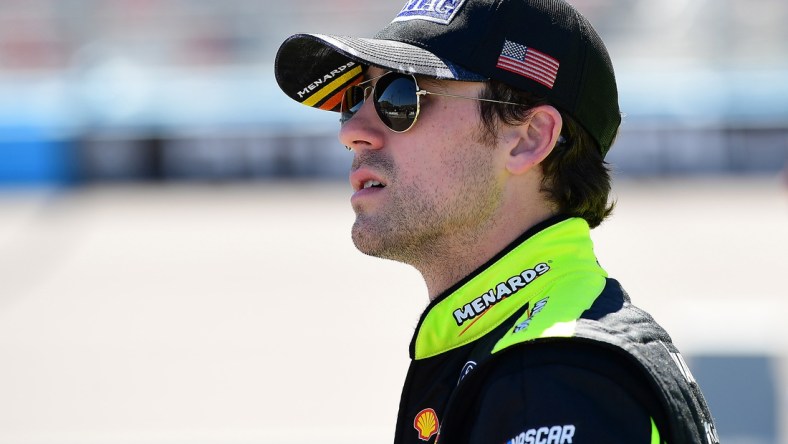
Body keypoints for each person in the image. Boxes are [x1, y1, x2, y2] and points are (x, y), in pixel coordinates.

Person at [274, 0, 719, 442]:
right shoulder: (534, 354)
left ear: (528, 138)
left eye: (400, 95)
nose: (352, 131)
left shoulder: (554, 379)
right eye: (354, 99)